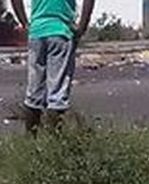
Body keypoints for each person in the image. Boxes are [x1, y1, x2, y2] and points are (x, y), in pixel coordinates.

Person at [11, 0, 96, 132]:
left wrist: (25, 23)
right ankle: (55, 143)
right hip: (61, 30)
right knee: (57, 93)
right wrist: (82, 27)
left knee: (34, 93)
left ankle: (31, 142)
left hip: (37, 32)